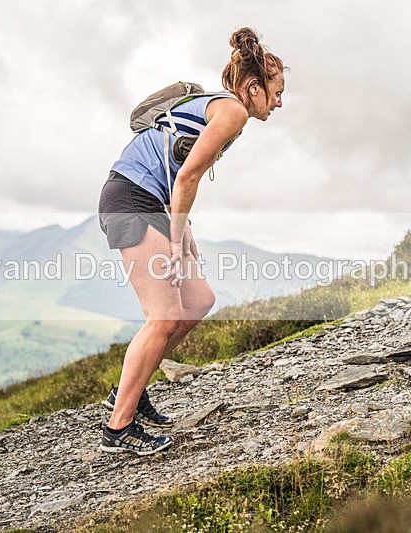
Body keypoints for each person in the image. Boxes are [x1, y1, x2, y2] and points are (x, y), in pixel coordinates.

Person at [97, 27, 286, 455]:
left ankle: (130, 390)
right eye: (276, 93)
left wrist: (186, 238)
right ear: (253, 88)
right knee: (163, 317)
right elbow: (186, 177)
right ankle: (118, 427)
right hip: (130, 198)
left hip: (150, 200)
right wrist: (176, 239)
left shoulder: (219, 109)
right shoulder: (233, 112)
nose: (279, 102)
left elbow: (177, 178)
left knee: (198, 300)